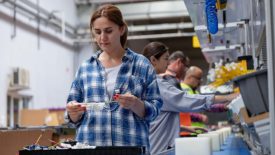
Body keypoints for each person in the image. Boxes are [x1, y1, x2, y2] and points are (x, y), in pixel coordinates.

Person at [65, 4, 162, 153]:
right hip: (91, 148)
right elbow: (71, 113)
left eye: (108, 31)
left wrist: (137, 104)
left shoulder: (141, 64)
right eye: (97, 32)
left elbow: (156, 109)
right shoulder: (85, 68)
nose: (102, 38)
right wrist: (73, 113)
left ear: (121, 29)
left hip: (130, 148)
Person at [142, 45, 239, 155]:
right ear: (154, 60)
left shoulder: (143, 83)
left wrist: (184, 128)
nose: (168, 63)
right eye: (165, 59)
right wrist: (227, 97)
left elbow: (156, 119)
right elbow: (185, 100)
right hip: (160, 148)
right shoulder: (157, 85)